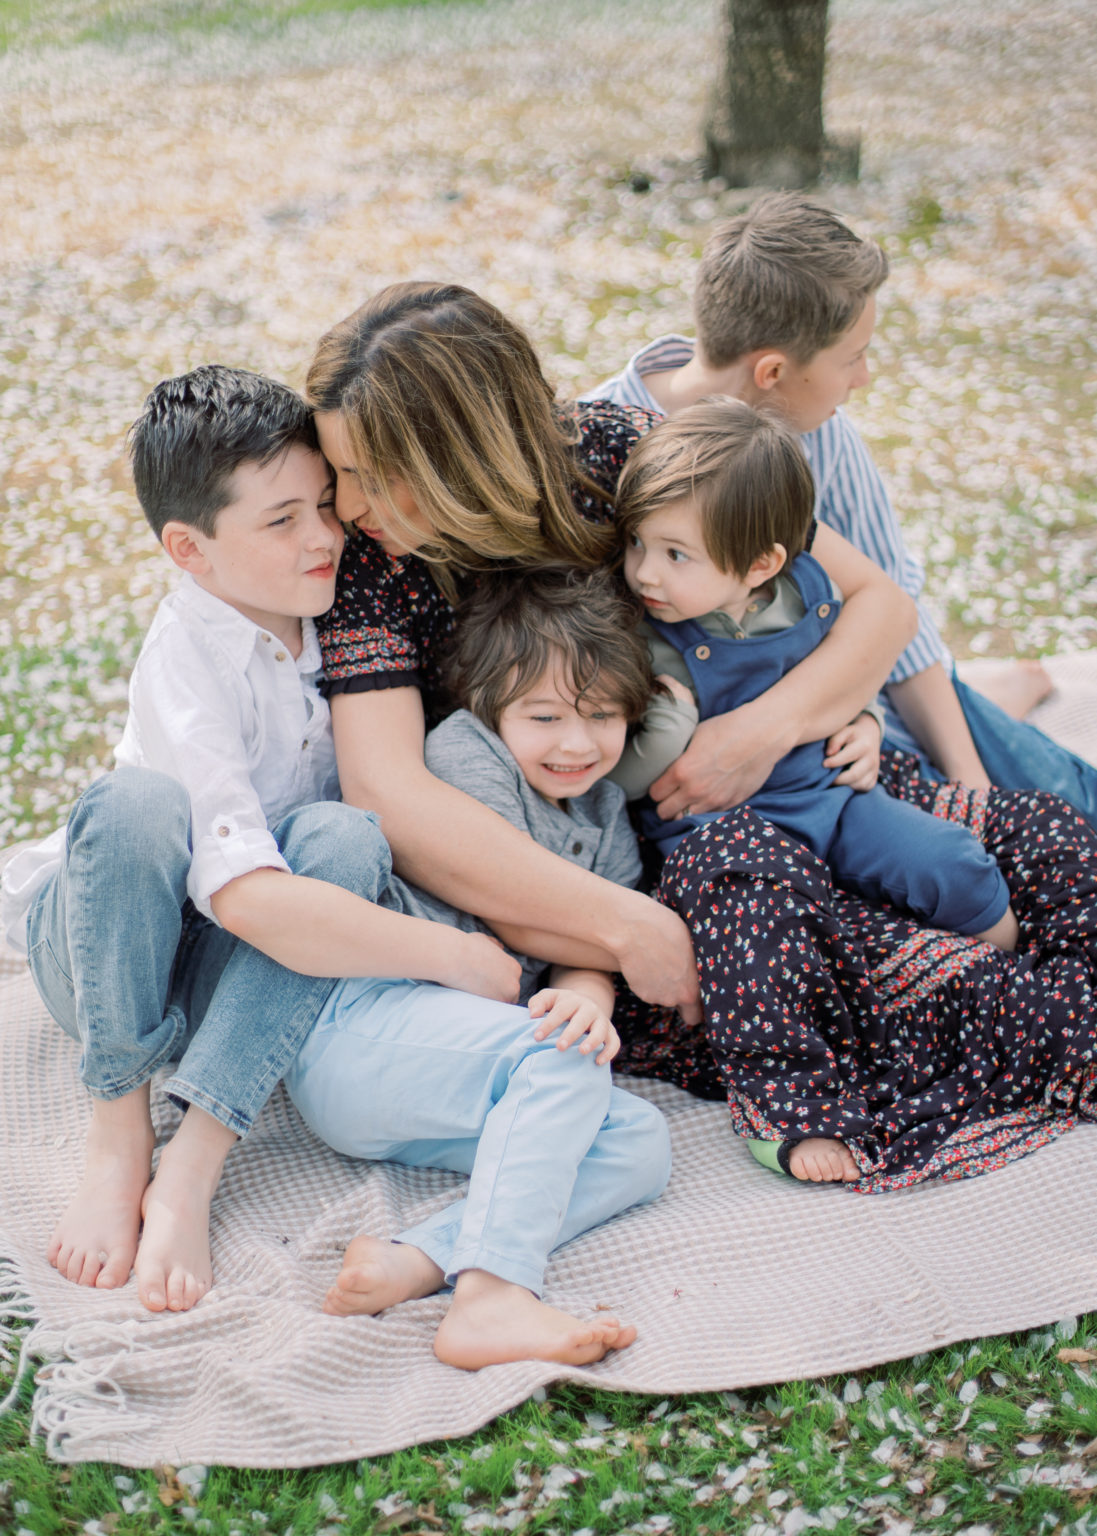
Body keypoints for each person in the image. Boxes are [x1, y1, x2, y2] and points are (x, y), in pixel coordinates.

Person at [0, 366, 522, 1316]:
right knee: (133, 805)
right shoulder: (186, 658)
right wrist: (458, 956)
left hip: (229, 977)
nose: (325, 536)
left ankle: (195, 1157)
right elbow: (241, 891)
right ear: (189, 550)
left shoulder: (340, 629)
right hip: (114, 951)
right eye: (281, 521)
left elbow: (303, 875)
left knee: (342, 836)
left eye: (324, 504)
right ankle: (120, 1133)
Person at [305, 280, 915, 1017]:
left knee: (1012, 843)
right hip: (589, 863)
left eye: (372, 476)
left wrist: (769, 728)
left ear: (462, 455)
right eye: (340, 472)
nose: (345, 506)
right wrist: (628, 926)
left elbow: (880, 604)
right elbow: (388, 795)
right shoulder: (373, 563)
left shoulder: (617, 451)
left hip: (760, 769)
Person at [580, 191, 1097, 832]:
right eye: (852, 358)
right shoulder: (600, 450)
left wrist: (972, 787)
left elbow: (892, 612)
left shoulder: (819, 429)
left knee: (1066, 802)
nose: (865, 379)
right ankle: (1005, 696)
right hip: (707, 783)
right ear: (771, 371)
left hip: (848, 718)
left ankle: (997, 704)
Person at [288, 567, 672, 1357]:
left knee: (637, 1141)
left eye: (603, 717)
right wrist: (599, 965)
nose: (576, 742)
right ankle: (493, 1299)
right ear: (491, 707)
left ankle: (421, 1256)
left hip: (460, 1069)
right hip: (367, 1027)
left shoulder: (605, 813)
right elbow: (521, 912)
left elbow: (586, 949)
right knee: (559, 1055)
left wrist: (590, 995)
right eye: (545, 716)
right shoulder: (465, 751)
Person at [612, 396, 1018, 952]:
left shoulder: (806, 597)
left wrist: (867, 721)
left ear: (761, 565)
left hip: (830, 798)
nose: (644, 573)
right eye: (636, 542)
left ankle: (1015, 972)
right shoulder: (637, 636)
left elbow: (846, 671)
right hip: (715, 833)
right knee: (764, 922)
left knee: (956, 865)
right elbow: (618, 782)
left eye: (675, 555)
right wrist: (669, 727)